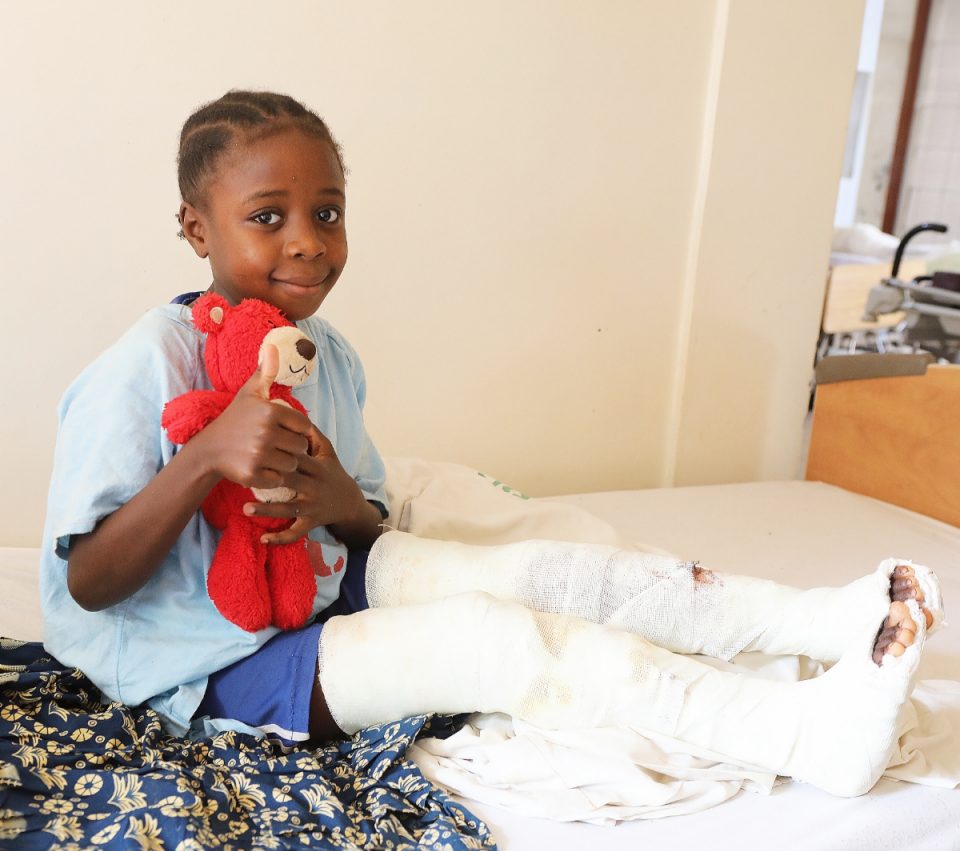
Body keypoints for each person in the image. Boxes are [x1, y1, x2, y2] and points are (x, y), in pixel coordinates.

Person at [41, 90, 942, 800]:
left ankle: (821, 622)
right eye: (268, 217)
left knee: (555, 577)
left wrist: (339, 505)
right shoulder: (143, 368)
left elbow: (367, 527)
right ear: (198, 228)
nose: (308, 245)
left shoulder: (330, 360)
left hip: (318, 593)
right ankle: (804, 739)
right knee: (497, 643)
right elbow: (88, 586)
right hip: (212, 667)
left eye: (328, 212)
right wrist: (203, 458)